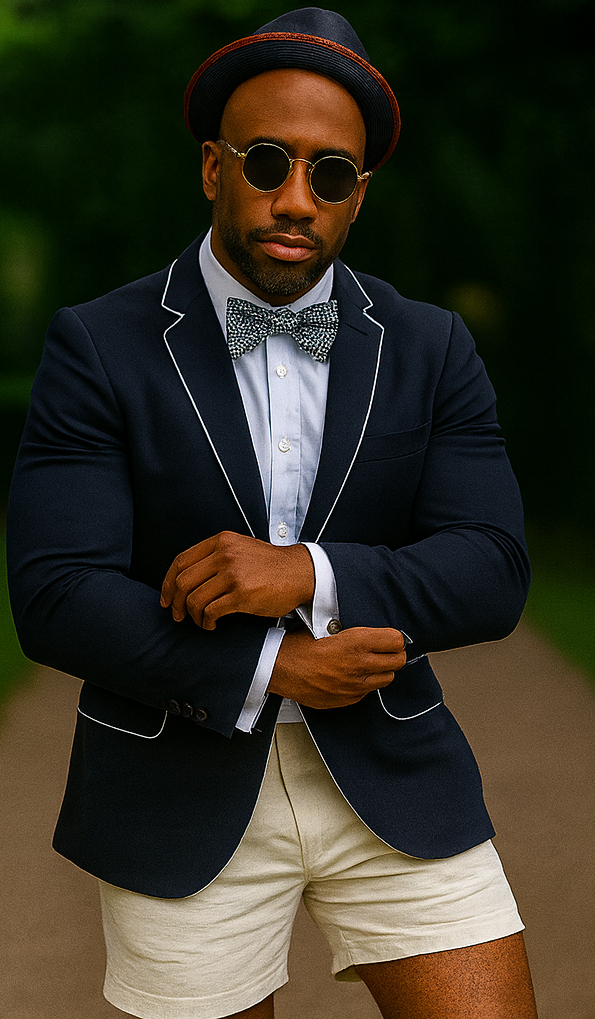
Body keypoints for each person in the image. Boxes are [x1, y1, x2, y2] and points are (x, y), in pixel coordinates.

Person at [7, 8, 538, 1018]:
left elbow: (492, 565)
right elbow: (56, 592)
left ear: (359, 195)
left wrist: (306, 572)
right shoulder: (98, 344)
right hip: (177, 782)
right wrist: (270, 665)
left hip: (395, 773)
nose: (296, 198)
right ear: (213, 167)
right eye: (266, 161)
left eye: (329, 174)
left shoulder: (430, 347)